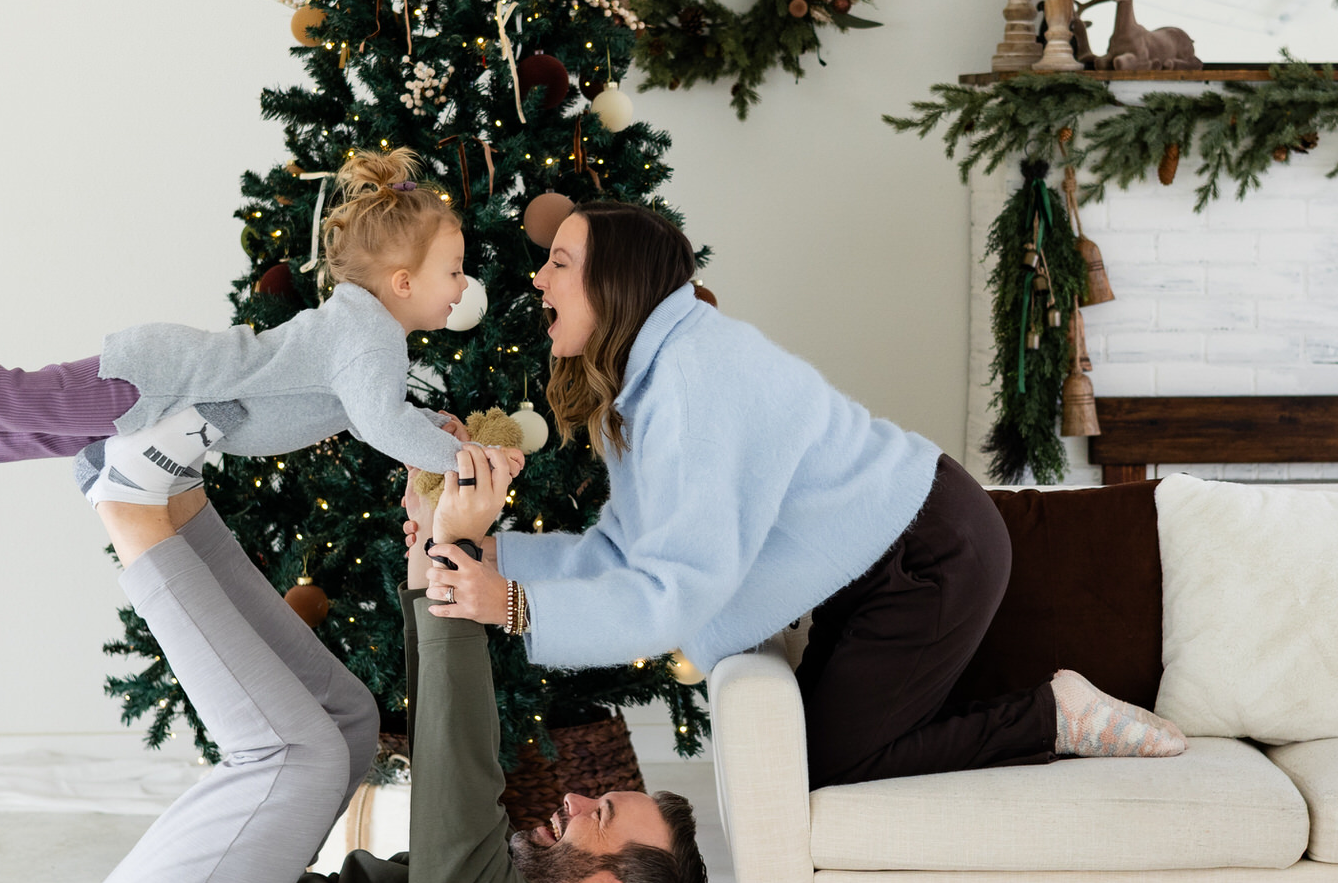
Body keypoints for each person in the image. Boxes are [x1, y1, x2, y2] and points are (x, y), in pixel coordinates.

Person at [416, 200, 1185, 788]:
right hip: (872, 555)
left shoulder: (692, 379)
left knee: (826, 760)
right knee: (807, 746)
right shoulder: (649, 384)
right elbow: (623, 548)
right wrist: (496, 553)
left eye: (559, 262)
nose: (538, 277)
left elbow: (678, 588)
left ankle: (1057, 713)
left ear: (614, 281)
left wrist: (514, 603)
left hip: (928, 547)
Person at [52, 458, 706, 883]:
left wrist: (457, 548)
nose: (577, 797)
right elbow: (444, 744)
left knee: (294, 753)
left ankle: (128, 505)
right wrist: (430, 547)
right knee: (345, 724)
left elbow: (459, 778)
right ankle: (175, 491)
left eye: (603, 813)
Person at [0, 150, 516, 502]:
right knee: (13, 397)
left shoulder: (365, 336)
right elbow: (383, 423)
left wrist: (434, 425)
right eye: (453, 269)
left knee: (33, 432)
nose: (461, 286)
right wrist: (465, 459)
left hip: (162, 389)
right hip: (156, 383)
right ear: (403, 282)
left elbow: (369, 414)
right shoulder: (370, 337)